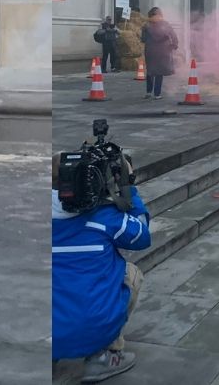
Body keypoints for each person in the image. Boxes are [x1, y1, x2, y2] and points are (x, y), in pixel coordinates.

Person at [52, 154, 151, 383]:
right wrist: (128, 191)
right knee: (130, 274)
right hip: (92, 330)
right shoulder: (105, 217)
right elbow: (142, 236)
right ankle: (106, 355)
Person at [139, 7, 178, 100]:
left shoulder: (147, 26)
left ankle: (150, 92)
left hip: (152, 51)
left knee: (152, 71)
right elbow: (173, 36)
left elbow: (143, 39)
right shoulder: (165, 25)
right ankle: (156, 93)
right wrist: (174, 45)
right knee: (156, 72)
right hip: (160, 51)